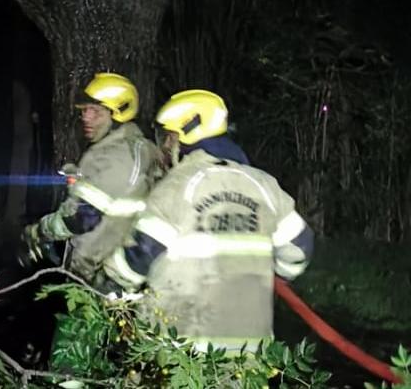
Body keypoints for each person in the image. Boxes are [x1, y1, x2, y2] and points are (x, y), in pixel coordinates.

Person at [103, 89, 313, 354]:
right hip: (248, 353)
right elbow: (299, 250)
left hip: (180, 352)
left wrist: (109, 284)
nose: (164, 147)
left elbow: (139, 256)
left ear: (185, 135)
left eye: (167, 137)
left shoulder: (176, 186)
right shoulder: (265, 185)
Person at [20, 72, 162, 281]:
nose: (86, 118)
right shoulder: (134, 148)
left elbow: (83, 218)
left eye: (95, 112)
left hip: (100, 273)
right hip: (106, 265)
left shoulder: (119, 155)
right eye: (84, 110)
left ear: (119, 114)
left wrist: (38, 232)